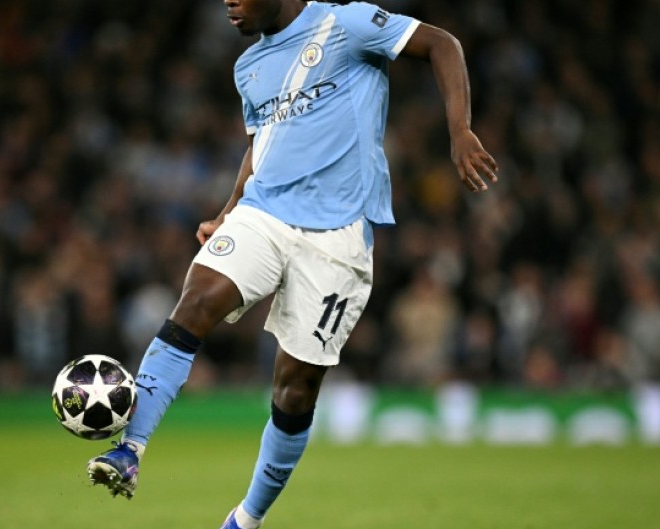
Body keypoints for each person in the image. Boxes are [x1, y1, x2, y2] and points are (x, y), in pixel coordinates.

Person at [87, 1, 499, 528]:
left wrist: (460, 130)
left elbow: (442, 43)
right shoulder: (248, 67)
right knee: (198, 299)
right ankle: (130, 449)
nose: (229, 5)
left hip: (338, 236)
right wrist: (228, 211)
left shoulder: (345, 24)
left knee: (295, 387)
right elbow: (262, 144)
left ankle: (246, 519)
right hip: (265, 214)